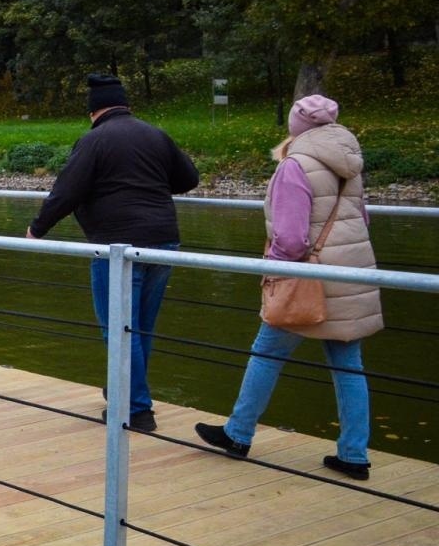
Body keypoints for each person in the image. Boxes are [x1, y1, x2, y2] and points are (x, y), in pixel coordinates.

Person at [194, 95, 382, 479]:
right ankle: (354, 455)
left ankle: (238, 433)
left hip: (308, 280)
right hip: (353, 276)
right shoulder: (350, 162)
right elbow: (361, 219)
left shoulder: (294, 166)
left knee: (266, 351)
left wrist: (272, 270)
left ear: (296, 127)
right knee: (349, 366)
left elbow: (292, 240)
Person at [26, 72, 200, 433]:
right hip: (164, 242)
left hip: (118, 247)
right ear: (125, 105)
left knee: (118, 330)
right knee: (141, 328)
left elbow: (66, 191)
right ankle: (124, 391)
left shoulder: (95, 140)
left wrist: (36, 229)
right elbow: (189, 179)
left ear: (93, 111)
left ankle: (135, 409)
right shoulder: (154, 134)